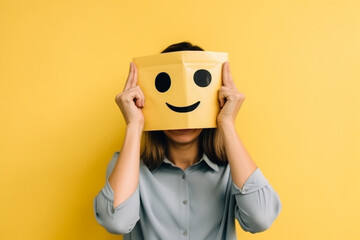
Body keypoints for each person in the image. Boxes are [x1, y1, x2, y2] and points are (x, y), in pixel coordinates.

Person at [94, 42, 281, 240]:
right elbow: (116, 221)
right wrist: (134, 124)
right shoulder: (127, 167)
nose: (183, 112)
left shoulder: (233, 170)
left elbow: (261, 219)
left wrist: (227, 122)